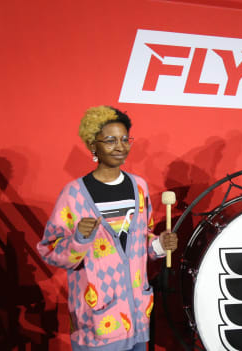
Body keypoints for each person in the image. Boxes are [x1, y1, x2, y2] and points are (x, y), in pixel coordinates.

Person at [37, 106, 178, 351]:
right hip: (98, 322)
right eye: (110, 140)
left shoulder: (139, 187)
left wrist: (159, 245)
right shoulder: (74, 194)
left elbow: (140, 241)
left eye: (125, 139)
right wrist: (79, 238)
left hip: (137, 317)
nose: (120, 146)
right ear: (93, 145)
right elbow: (50, 249)